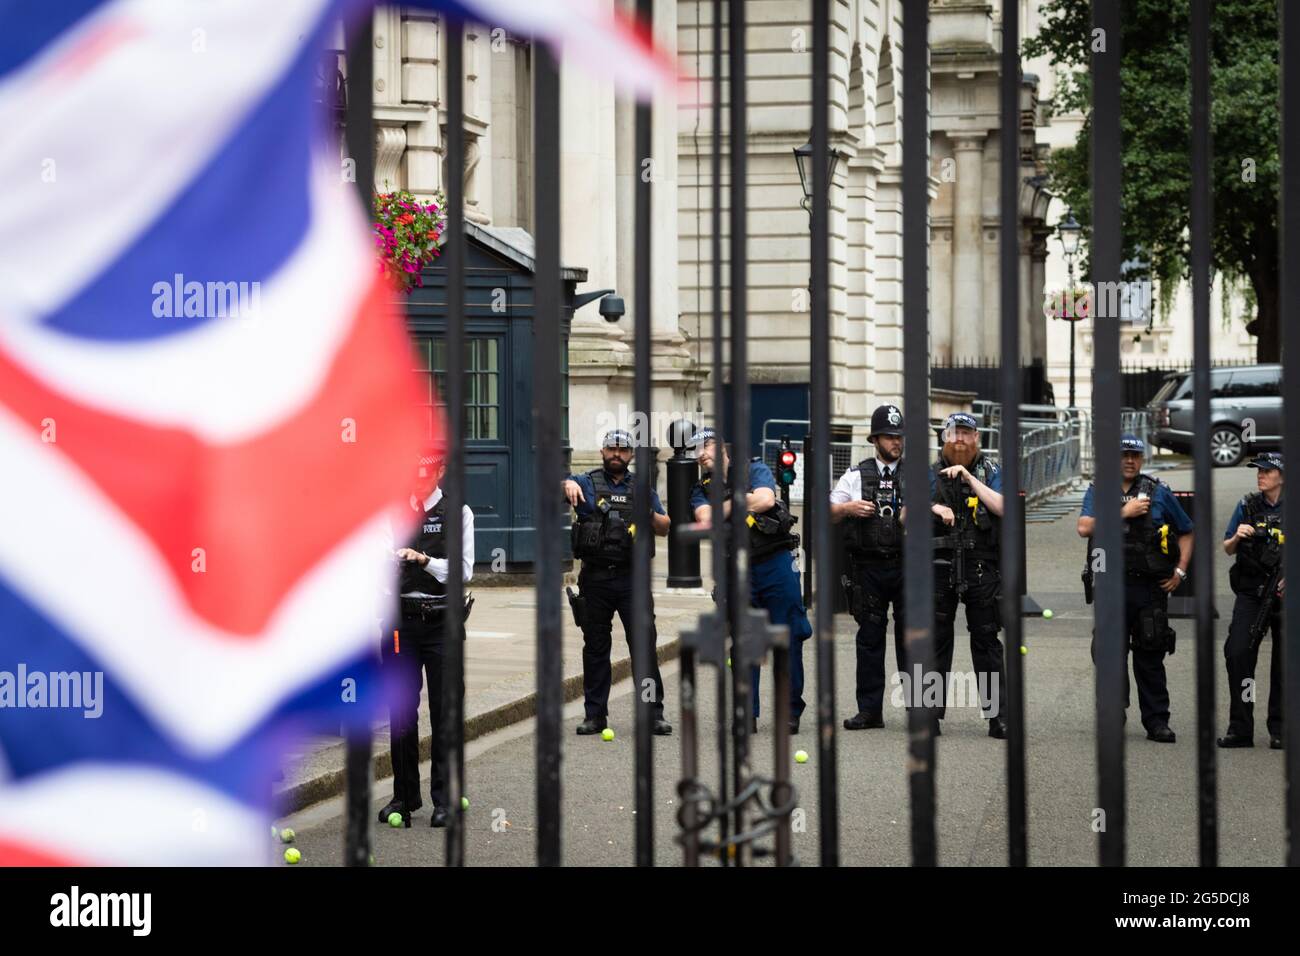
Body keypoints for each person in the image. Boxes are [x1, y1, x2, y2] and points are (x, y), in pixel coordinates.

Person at [688, 428, 812, 734]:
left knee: (788, 637)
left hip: (775, 563)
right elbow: (705, 519)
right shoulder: (700, 488)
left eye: (706, 447)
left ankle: (789, 711)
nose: (702, 454)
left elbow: (767, 499)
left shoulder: (753, 468)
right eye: (696, 451)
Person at [378, 448, 475, 828]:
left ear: (441, 470)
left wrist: (423, 560)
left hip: (441, 621)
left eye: (425, 471)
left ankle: (444, 796)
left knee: (444, 711)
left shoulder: (459, 513)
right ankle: (404, 795)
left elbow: (463, 570)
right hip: (400, 623)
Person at [1077, 434, 1193, 743]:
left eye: (1135, 455)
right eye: (1123, 454)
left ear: (1142, 459)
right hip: (1110, 586)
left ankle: (1157, 721)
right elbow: (1084, 527)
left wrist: (1180, 571)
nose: (1129, 460)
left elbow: (1187, 531)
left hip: (1148, 587)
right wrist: (1123, 513)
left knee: (1150, 654)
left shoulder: (1158, 492)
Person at [563, 429, 673, 737]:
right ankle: (595, 716)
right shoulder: (586, 481)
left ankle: (653, 715)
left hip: (632, 581)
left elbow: (665, 527)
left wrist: (648, 514)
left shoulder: (641, 487)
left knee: (643, 647)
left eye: (623, 450)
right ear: (602, 451)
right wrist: (567, 482)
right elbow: (556, 488)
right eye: (611, 448)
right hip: (595, 579)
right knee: (596, 648)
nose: (616, 454)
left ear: (631, 455)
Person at [929, 412, 1008, 738]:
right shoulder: (929, 473)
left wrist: (967, 477)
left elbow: (1005, 507)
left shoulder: (992, 471)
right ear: (945, 437)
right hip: (939, 564)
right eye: (954, 433)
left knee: (987, 641)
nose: (960, 439)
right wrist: (934, 507)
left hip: (981, 565)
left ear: (977, 438)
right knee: (933, 642)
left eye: (967, 433)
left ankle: (998, 717)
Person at [832, 404, 907, 730]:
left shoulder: (916, 474)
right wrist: (848, 507)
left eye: (899, 437)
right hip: (868, 568)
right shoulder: (855, 475)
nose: (896, 442)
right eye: (890, 437)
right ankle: (870, 710)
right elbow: (827, 512)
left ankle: (919, 711)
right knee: (870, 639)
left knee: (912, 640)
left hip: (906, 566)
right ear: (875, 438)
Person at [1217, 452, 1285, 750]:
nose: (1260, 475)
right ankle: (1241, 727)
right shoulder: (1246, 505)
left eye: (1267, 471)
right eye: (1258, 471)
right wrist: (1237, 537)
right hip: (1251, 592)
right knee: (1238, 653)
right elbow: (1227, 547)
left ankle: (1281, 728)